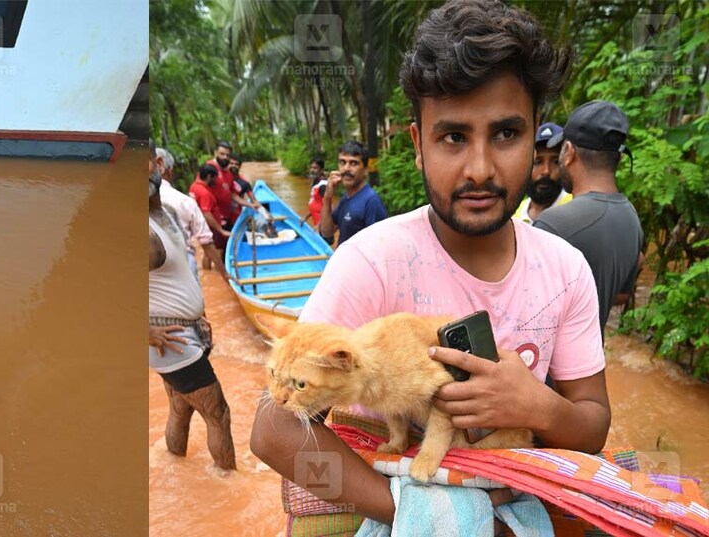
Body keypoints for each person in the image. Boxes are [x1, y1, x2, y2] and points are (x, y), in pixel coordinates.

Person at [251, 0, 609, 527]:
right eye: (453, 137)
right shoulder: (370, 262)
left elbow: (593, 427)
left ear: (537, 139)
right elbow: (272, 432)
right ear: (419, 144)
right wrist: (421, 509)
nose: (481, 169)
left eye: (506, 134)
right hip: (403, 498)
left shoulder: (566, 270)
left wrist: (539, 407)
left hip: (502, 480)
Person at [150, 139, 236, 471]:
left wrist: (198, 317)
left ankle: (176, 470)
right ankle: (228, 486)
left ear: (159, 166)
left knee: (180, 406)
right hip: (172, 340)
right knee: (219, 413)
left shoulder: (166, 213)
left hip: (182, 334)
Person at [534, 100, 644, 331]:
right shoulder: (632, 219)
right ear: (619, 159)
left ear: (570, 153)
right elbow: (621, 296)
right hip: (592, 359)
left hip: (547, 366)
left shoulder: (553, 224)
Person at [156, 147, 231, 280]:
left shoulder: (193, 188)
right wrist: (224, 274)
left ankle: (208, 273)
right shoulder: (186, 200)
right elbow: (206, 241)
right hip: (183, 265)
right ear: (166, 169)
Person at [319, 141, 388, 246]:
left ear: (365, 170)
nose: (346, 168)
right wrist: (327, 197)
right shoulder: (346, 197)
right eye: (342, 162)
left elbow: (380, 247)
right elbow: (327, 232)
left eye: (353, 163)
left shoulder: (371, 201)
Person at [514, 122, 572, 224]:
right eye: (538, 162)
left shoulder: (574, 207)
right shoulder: (513, 214)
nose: (546, 171)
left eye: (556, 162)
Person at [188, 164, 233, 255]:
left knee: (207, 253)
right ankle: (216, 269)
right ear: (209, 177)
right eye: (215, 178)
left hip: (199, 225)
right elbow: (207, 213)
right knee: (213, 253)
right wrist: (221, 230)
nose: (216, 181)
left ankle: (208, 269)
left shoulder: (194, 186)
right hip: (209, 227)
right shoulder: (205, 193)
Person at [202, 140, 243, 229]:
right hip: (212, 218)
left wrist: (249, 204)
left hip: (226, 218)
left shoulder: (228, 172)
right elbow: (200, 191)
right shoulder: (209, 168)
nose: (225, 157)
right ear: (215, 153)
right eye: (222, 154)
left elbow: (232, 193)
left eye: (227, 155)